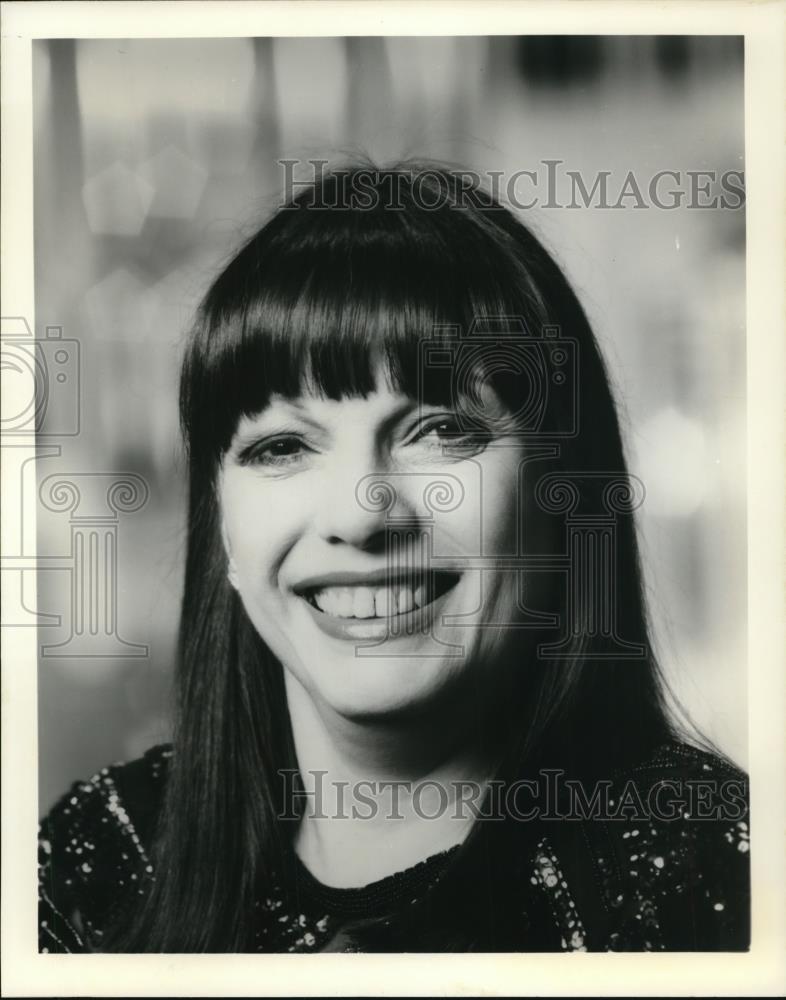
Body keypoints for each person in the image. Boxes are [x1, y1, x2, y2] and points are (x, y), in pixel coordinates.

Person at [38, 162, 750, 953]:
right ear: (224, 530)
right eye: (281, 446)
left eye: (442, 431)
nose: (359, 514)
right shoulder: (98, 863)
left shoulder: (709, 870)